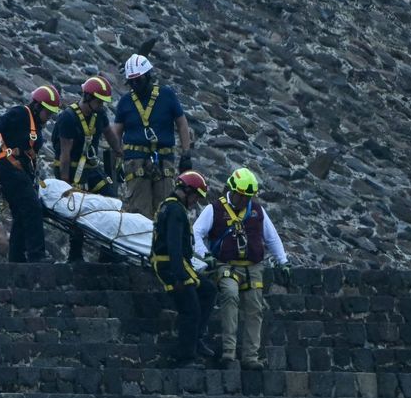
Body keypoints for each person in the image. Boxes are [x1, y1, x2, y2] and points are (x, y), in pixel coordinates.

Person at [193, 167, 290, 370]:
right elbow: (196, 232)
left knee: (255, 309)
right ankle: (229, 352)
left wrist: (283, 262)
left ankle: (250, 356)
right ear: (233, 190)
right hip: (226, 265)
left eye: (248, 196)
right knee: (230, 296)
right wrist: (205, 255)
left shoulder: (257, 211)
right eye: (242, 196)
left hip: (253, 267)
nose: (244, 200)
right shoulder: (214, 209)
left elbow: (272, 238)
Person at [111, 54, 192, 218]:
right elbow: (115, 133)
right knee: (139, 211)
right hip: (135, 161)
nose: (135, 85)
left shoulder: (166, 95)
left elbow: (182, 124)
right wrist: (116, 161)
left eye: (138, 80)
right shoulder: (126, 102)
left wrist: (186, 153)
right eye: (131, 82)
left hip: (163, 160)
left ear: (148, 76)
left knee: (164, 209)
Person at [0, 85, 61, 262]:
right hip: (8, 168)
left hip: (19, 172)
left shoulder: (36, 124)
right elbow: (1, 122)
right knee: (33, 207)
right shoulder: (20, 113)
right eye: (47, 112)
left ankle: (16, 259)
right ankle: (37, 255)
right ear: (37, 106)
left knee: (20, 214)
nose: (48, 118)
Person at [150, 171, 217, 368]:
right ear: (187, 191)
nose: (195, 202)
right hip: (172, 266)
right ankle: (185, 356)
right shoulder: (175, 211)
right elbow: (173, 246)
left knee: (208, 290)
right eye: (196, 196)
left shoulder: (170, 207)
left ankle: (196, 340)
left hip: (177, 264)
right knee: (191, 310)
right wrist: (179, 277)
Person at [52, 76, 122, 262]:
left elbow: (110, 135)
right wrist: (65, 183)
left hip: (90, 169)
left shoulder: (100, 116)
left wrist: (120, 152)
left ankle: (108, 253)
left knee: (111, 201)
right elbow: (65, 153)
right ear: (88, 97)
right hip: (71, 170)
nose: (101, 105)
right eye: (99, 101)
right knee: (78, 210)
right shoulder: (68, 118)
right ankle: (75, 255)